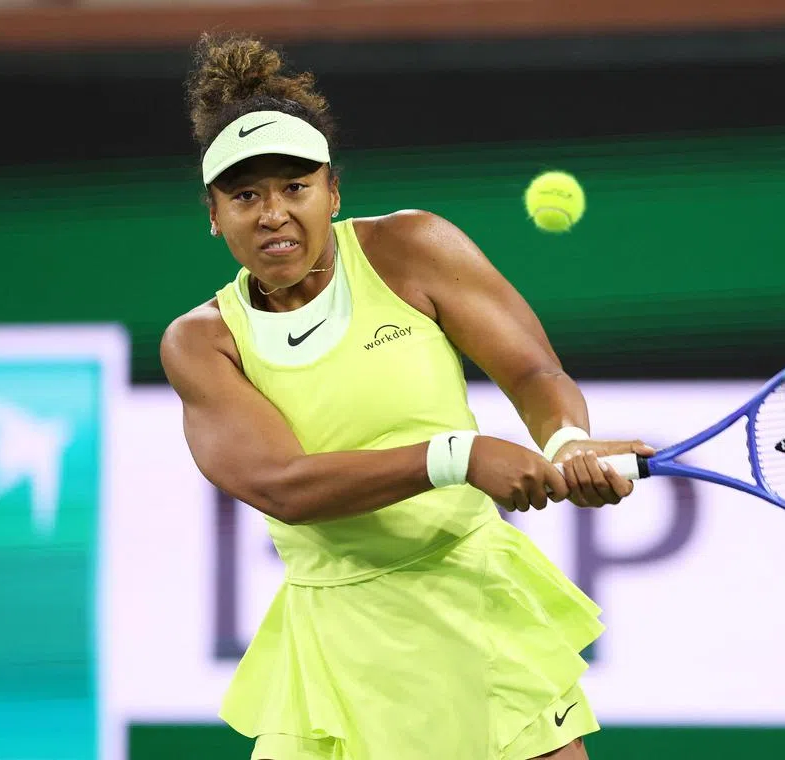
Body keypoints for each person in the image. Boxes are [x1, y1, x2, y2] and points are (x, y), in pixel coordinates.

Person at [161, 33, 655, 760]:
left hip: (475, 603)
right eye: (245, 196)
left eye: (295, 188)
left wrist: (565, 440)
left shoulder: (411, 250)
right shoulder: (203, 342)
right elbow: (284, 485)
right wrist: (458, 456)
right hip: (334, 647)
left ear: (333, 190)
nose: (273, 214)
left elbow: (532, 374)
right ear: (213, 214)